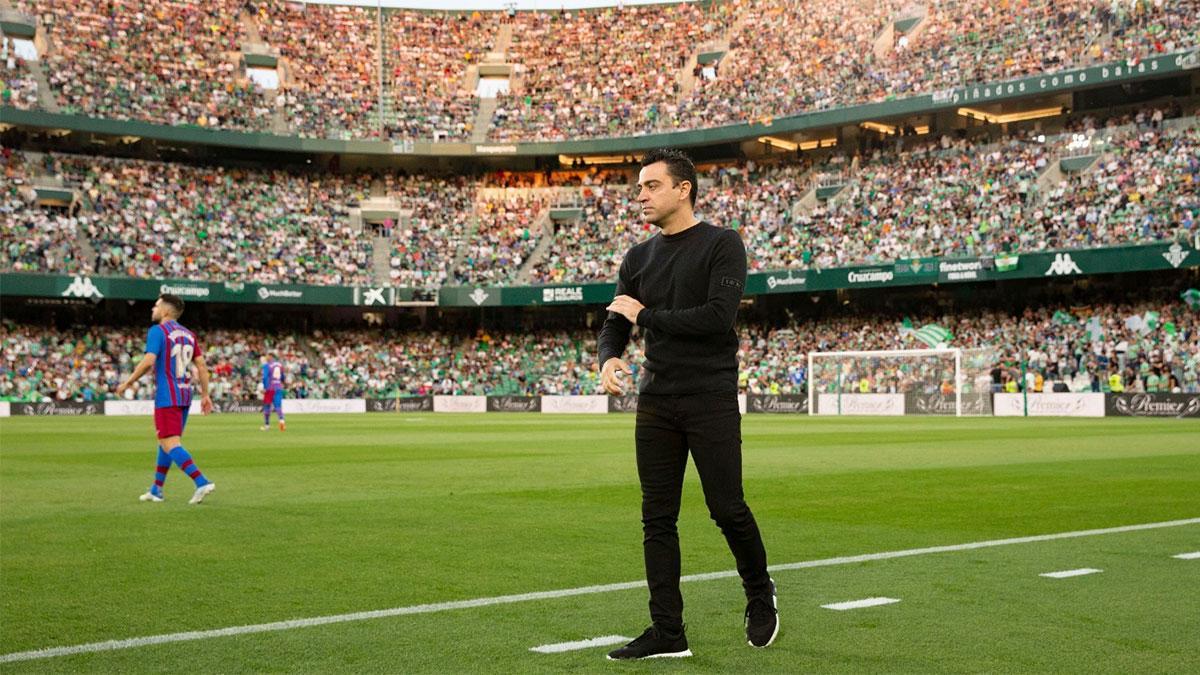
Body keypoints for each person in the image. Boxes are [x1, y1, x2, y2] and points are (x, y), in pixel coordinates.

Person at [597, 148, 776, 660]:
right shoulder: (637, 257)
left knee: (726, 508)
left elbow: (717, 318)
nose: (641, 195)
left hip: (709, 396)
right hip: (656, 400)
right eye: (639, 187)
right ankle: (668, 632)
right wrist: (608, 359)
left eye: (651, 186)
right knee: (657, 518)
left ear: (683, 189)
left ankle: (760, 592)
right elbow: (616, 322)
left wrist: (646, 315)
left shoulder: (723, 244)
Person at [116, 294, 216, 504]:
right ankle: (156, 489)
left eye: (156, 305)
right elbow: (202, 367)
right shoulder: (189, 334)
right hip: (185, 394)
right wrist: (205, 395)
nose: (153, 309)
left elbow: (148, 360)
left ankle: (201, 481)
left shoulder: (157, 331)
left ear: (166, 312)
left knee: (170, 443)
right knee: (165, 442)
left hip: (167, 395)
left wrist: (128, 382)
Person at [261, 353, 287, 431]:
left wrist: (265, 387)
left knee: (267, 406)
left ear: (271, 357)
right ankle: (282, 422)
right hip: (278, 387)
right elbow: (283, 376)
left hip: (270, 388)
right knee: (278, 406)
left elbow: (265, 377)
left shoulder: (267, 365)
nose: (266, 358)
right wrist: (281, 382)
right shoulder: (280, 365)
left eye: (267, 356)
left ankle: (267, 425)